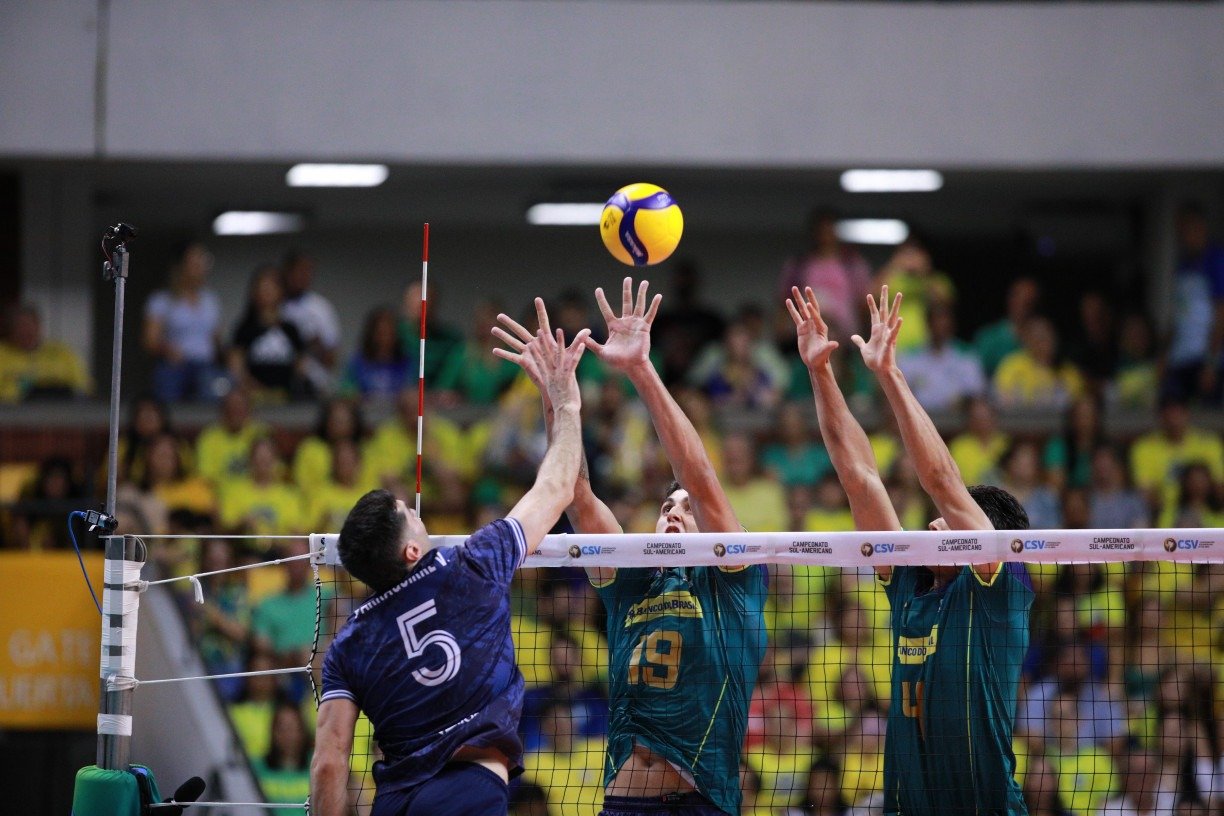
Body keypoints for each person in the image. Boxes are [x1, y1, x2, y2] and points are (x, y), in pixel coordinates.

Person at [492, 282, 768, 816]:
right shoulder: (633, 582)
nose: (674, 511)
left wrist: (641, 369)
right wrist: (558, 401)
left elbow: (699, 475)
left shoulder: (734, 579)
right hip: (623, 802)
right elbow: (575, 492)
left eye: (687, 510)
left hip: (700, 800)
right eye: (668, 506)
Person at [310, 321, 590, 816]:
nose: (418, 513)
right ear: (411, 552)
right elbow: (555, 488)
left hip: (395, 801)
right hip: (469, 791)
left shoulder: (347, 645)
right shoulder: (471, 567)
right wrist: (565, 402)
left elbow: (330, 762)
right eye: (409, 513)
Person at [788, 284, 1034, 815]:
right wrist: (820, 371)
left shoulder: (998, 590)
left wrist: (889, 374)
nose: (931, 523)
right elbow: (859, 478)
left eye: (949, 524)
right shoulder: (908, 587)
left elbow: (943, 481)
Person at [142, 240, 225, 402]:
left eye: (202, 262)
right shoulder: (162, 300)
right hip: (175, 364)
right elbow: (149, 340)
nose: (199, 268)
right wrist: (167, 350)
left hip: (204, 364)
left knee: (215, 385)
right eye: (194, 262)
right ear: (181, 266)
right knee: (167, 382)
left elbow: (216, 340)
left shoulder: (211, 300)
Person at [1161, 203, 1224, 404]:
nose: (1181, 235)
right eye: (1178, 229)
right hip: (1180, 357)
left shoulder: (1215, 260)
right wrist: (1164, 354)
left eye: (1185, 228)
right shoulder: (1182, 264)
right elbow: (1179, 313)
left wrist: (1211, 364)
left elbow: (1221, 312)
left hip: (1204, 358)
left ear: (1199, 226)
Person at [229, 264, 308, 399]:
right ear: (254, 293)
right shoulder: (244, 329)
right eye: (262, 288)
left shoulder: (290, 329)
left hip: (286, 396)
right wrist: (253, 387)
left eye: (271, 287)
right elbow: (235, 367)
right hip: (253, 396)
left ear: (281, 292)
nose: (267, 292)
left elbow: (301, 366)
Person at [0, 302, 91, 402]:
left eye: (30, 325)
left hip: (62, 413)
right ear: (10, 329)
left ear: (39, 326)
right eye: (20, 326)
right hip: (13, 414)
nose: (26, 331)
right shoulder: (2, 354)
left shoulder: (62, 353)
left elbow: (83, 388)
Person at [280, 250, 342, 395]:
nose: (303, 276)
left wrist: (314, 345)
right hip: (280, 380)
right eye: (298, 271)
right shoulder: (275, 306)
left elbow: (332, 357)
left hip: (316, 383)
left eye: (308, 271)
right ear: (287, 272)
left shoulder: (320, 307)